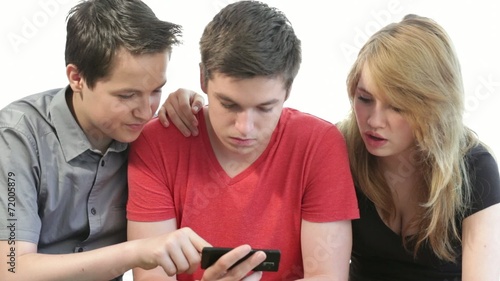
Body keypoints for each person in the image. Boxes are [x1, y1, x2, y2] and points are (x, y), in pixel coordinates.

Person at [162, 14, 500, 281]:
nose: (374, 120)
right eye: (364, 99)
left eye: (398, 107)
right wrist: (194, 102)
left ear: (432, 105)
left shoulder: (473, 167)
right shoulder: (340, 148)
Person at [0, 1, 263, 280]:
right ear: (77, 78)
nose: (145, 110)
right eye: (126, 96)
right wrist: (138, 251)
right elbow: (11, 269)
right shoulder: (17, 139)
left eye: (156, 91)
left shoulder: (149, 134)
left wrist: (192, 109)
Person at [126, 1, 359, 281]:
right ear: (203, 78)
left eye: (264, 108)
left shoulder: (318, 144)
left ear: (288, 90)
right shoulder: (157, 143)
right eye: (229, 104)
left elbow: (327, 277)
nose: (245, 128)